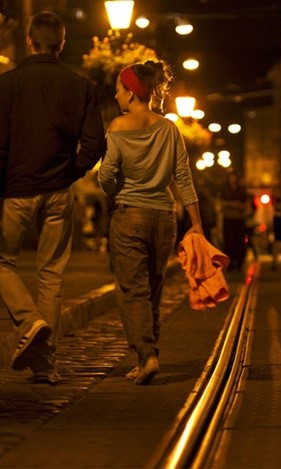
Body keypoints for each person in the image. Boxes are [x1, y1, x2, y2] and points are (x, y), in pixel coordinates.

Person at [0, 11, 106, 384]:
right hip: (59, 191)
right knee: (52, 275)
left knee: (2, 260)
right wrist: (71, 171)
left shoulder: (7, 84)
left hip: (17, 190)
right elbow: (95, 143)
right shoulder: (80, 85)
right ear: (61, 44)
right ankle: (46, 364)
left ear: (30, 41)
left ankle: (29, 321)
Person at [97, 60, 203, 385]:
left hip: (130, 215)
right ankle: (149, 354)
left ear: (131, 93)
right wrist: (196, 224)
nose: (115, 95)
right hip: (164, 218)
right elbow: (183, 177)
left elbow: (106, 176)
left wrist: (115, 192)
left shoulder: (117, 128)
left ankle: (146, 355)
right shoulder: (170, 129)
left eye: (118, 89)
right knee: (154, 289)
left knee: (132, 291)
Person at [219, 170, 250, 271]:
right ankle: (230, 262)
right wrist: (232, 204)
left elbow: (247, 201)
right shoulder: (225, 189)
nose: (233, 178)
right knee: (229, 240)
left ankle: (239, 261)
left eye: (235, 176)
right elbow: (221, 202)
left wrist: (242, 206)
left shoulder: (242, 189)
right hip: (229, 218)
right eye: (231, 176)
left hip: (240, 218)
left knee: (240, 240)